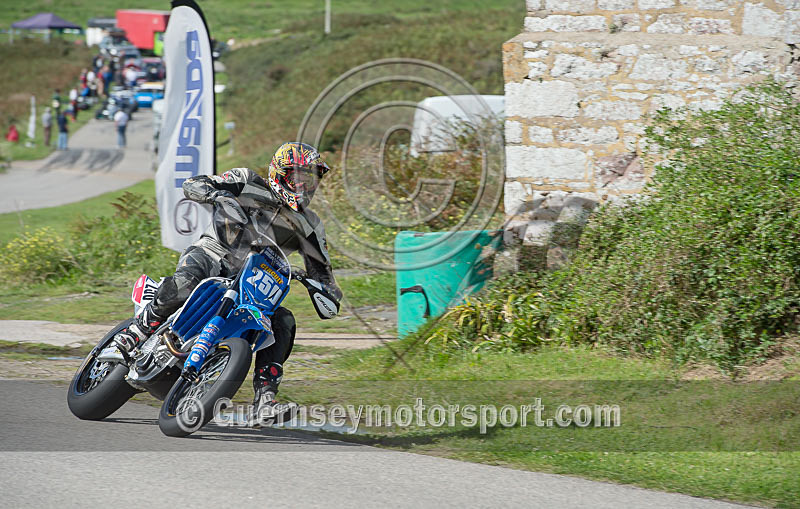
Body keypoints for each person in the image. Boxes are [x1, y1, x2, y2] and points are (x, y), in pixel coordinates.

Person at [112, 142, 342, 421]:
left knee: (283, 321)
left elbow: (324, 273)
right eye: (298, 178)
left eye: (311, 180)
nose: (305, 186)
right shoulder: (247, 181)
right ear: (280, 174)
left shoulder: (311, 225)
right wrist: (215, 193)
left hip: (255, 285)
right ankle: (136, 332)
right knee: (186, 282)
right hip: (214, 255)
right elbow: (194, 183)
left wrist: (325, 290)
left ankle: (265, 399)